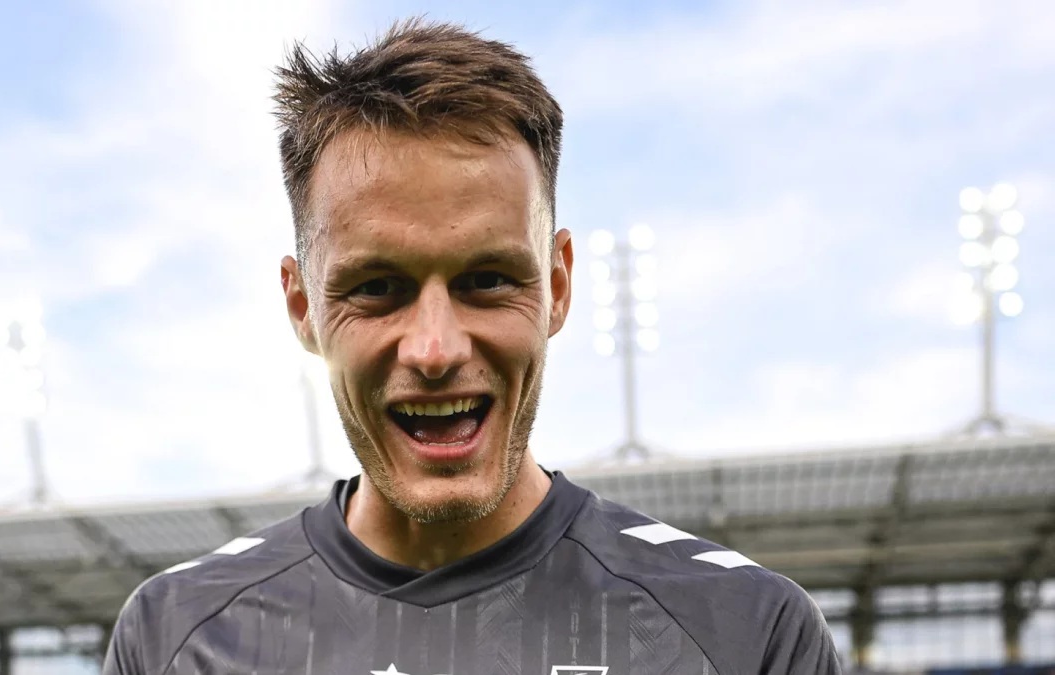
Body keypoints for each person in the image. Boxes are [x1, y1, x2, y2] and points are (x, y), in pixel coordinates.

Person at [103, 18, 842, 675]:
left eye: (487, 279)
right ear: (302, 306)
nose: (434, 349)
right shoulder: (176, 636)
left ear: (558, 285)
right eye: (377, 287)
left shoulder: (744, 631)